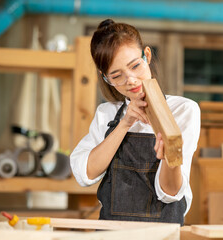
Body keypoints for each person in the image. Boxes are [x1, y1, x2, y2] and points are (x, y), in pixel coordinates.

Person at [70, 19, 200, 226]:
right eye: (116, 75)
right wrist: (125, 123)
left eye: (135, 66)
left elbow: (170, 192)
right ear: (106, 78)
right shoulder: (107, 114)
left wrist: (169, 157)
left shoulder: (183, 110)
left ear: (146, 55)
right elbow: (85, 173)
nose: (130, 80)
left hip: (161, 235)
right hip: (111, 234)